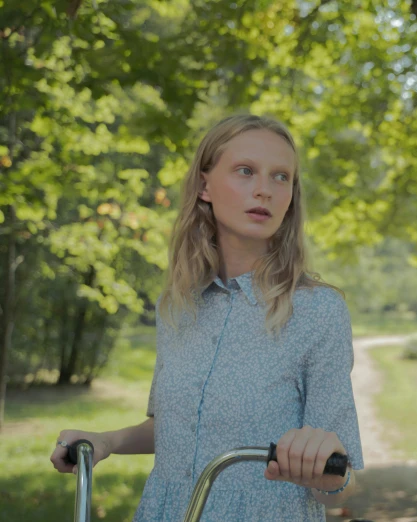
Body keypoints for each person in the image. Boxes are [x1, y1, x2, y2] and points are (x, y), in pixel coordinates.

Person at [50, 114, 365, 521]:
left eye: (281, 177)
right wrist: (107, 441)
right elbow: (179, 428)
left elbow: (342, 482)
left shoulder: (318, 312)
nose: (264, 190)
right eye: (246, 171)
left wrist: (325, 473)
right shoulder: (177, 305)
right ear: (204, 186)